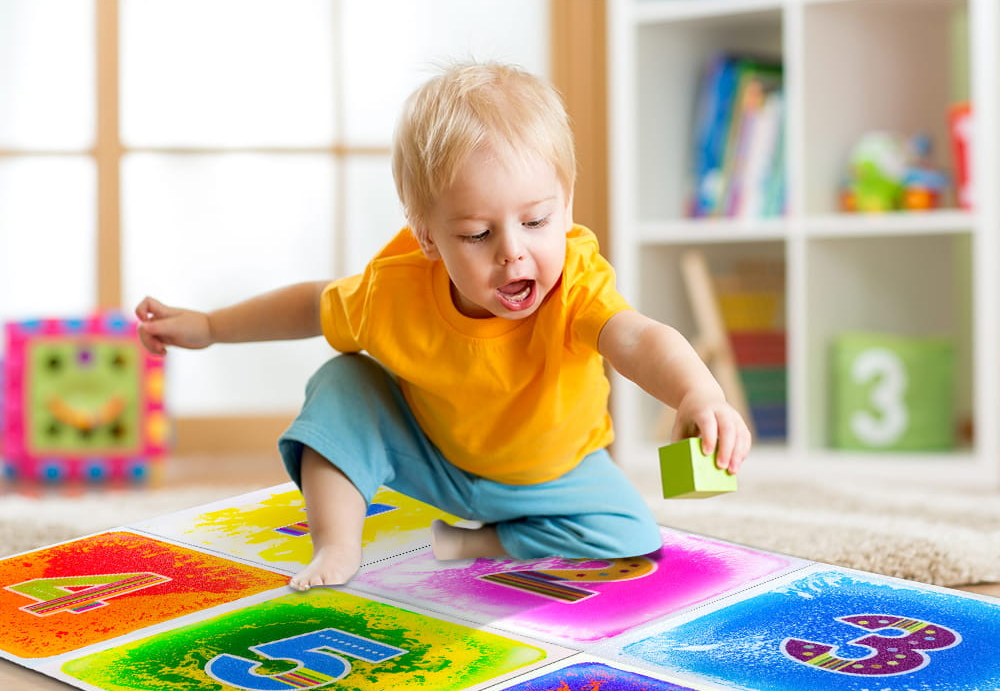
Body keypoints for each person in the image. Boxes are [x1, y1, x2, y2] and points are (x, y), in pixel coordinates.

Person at [136, 61, 751, 591]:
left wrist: (698, 393)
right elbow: (310, 305)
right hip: (431, 458)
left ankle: (477, 542)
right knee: (343, 382)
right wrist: (210, 325)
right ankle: (337, 543)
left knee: (632, 535)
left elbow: (638, 338)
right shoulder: (394, 289)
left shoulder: (576, 284)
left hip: (551, 473)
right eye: (478, 234)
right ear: (428, 237)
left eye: (536, 222)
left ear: (566, 207)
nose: (512, 252)